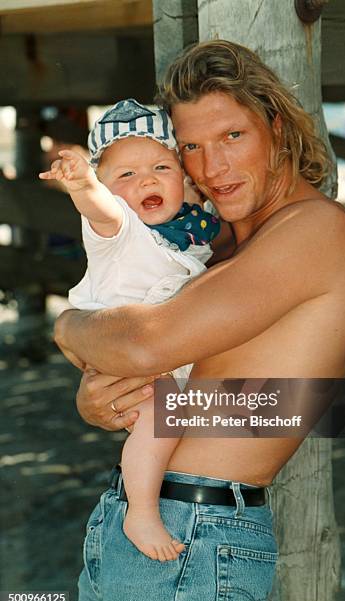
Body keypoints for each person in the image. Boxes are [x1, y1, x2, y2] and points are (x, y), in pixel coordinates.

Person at [55, 40, 345, 601]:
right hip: (137, 519)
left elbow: (145, 342)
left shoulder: (316, 232)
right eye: (192, 147)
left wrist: (68, 326)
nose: (213, 167)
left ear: (276, 127)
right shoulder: (210, 245)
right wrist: (102, 395)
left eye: (233, 136)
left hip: (195, 539)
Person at [40, 98, 220, 563]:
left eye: (161, 167)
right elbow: (102, 211)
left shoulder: (186, 229)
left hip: (159, 352)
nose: (147, 180)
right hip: (122, 345)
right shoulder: (121, 231)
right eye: (126, 176)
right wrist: (84, 184)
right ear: (109, 186)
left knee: (169, 418)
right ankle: (140, 511)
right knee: (163, 422)